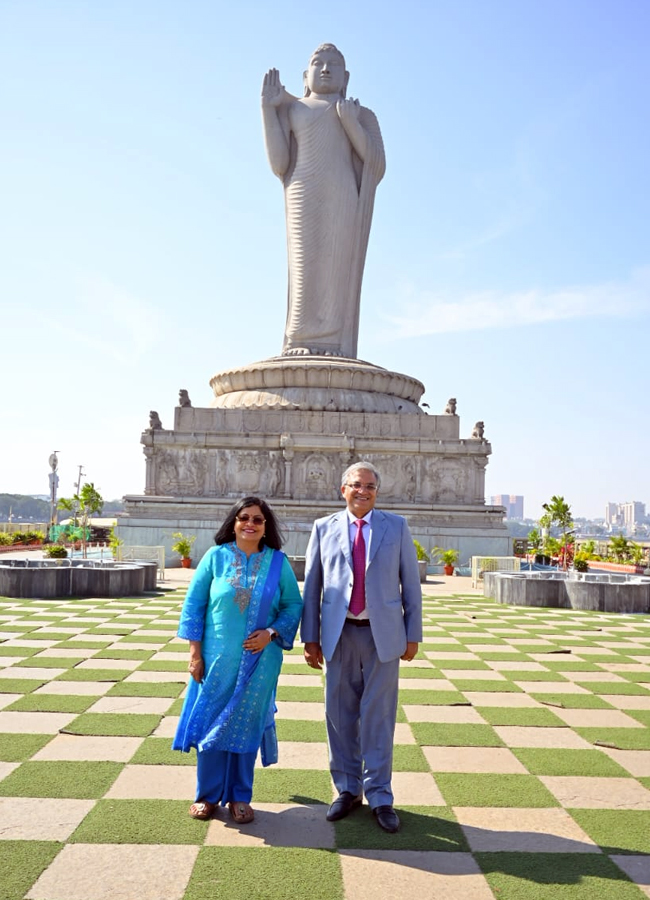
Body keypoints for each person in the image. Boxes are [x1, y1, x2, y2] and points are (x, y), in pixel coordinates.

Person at [301, 462, 422, 833]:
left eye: (369, 486)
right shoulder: (324, 528)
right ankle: (347, 789)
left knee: (379, 717)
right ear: (343, 490)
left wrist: (412, 633)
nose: (363, 491)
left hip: (382, 635)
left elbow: (410, 584)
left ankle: (380, 795)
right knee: (338, 716)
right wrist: (310, 637)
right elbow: (312, 586)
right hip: (339, 634)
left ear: (377, 491)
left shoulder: (395, 527)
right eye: (356, 485)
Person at [172, 496, 303, 824]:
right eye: (244, 517)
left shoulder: (277, 563)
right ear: (233, 523)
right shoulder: (215, 558)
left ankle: (240, 796)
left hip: (260, 661)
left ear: (265, 527)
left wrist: (271, 632)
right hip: (216, 661)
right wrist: (194, 654)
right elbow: (193, 606)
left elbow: (293, 606)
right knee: (210, 724)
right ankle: (207, 795)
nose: (250, 524)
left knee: (246, 724)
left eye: (258, 520)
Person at [261, 43, 385, 359]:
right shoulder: (293, 109)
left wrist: (350, 122)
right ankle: (299, 337)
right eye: (319, 63)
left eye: (334, 64)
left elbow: (376, 164)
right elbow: (279, 164)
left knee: (335, 265)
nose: (326, 69)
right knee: (305, 265)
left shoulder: (360, 114)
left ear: (346, 78)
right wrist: (267, 110)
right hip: (302, 190)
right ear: (306, 75)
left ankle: (333, 342)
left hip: (342, 196)